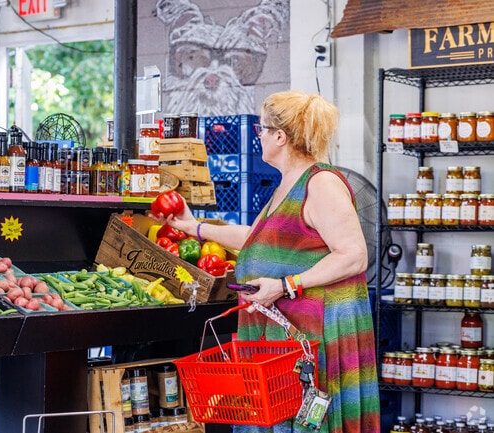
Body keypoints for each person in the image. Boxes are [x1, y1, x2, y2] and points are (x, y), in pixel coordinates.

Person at [154, 90, 380, 433]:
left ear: (280, 136)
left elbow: (353, 256)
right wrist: (193, 227)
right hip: (287, 330)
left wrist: (287, 285)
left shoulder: (321, 183)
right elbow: (257, 239)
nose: (258, 136)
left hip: (316, 330)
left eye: (262, 129)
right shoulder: (286, 185)